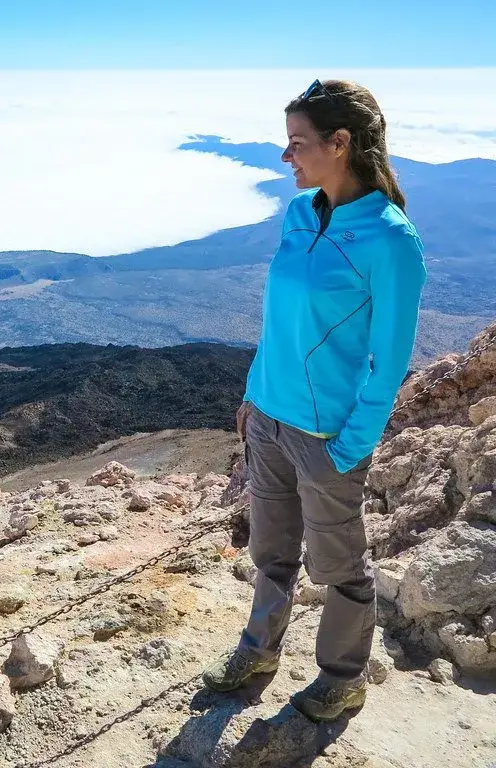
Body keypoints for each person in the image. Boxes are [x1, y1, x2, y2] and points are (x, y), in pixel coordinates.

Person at [201, 79, 427, 722]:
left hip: (326, 434)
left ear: (340, 143)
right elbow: (279, 322)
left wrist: (353, 443)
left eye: (297, 143)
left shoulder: (390, 240)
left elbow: (391, 360)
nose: (286, 157)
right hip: (268, 418)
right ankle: (258, 652)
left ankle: (342, 678)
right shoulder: (300, 213)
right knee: (271, 552)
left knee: (339, 566)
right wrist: (253, 396)